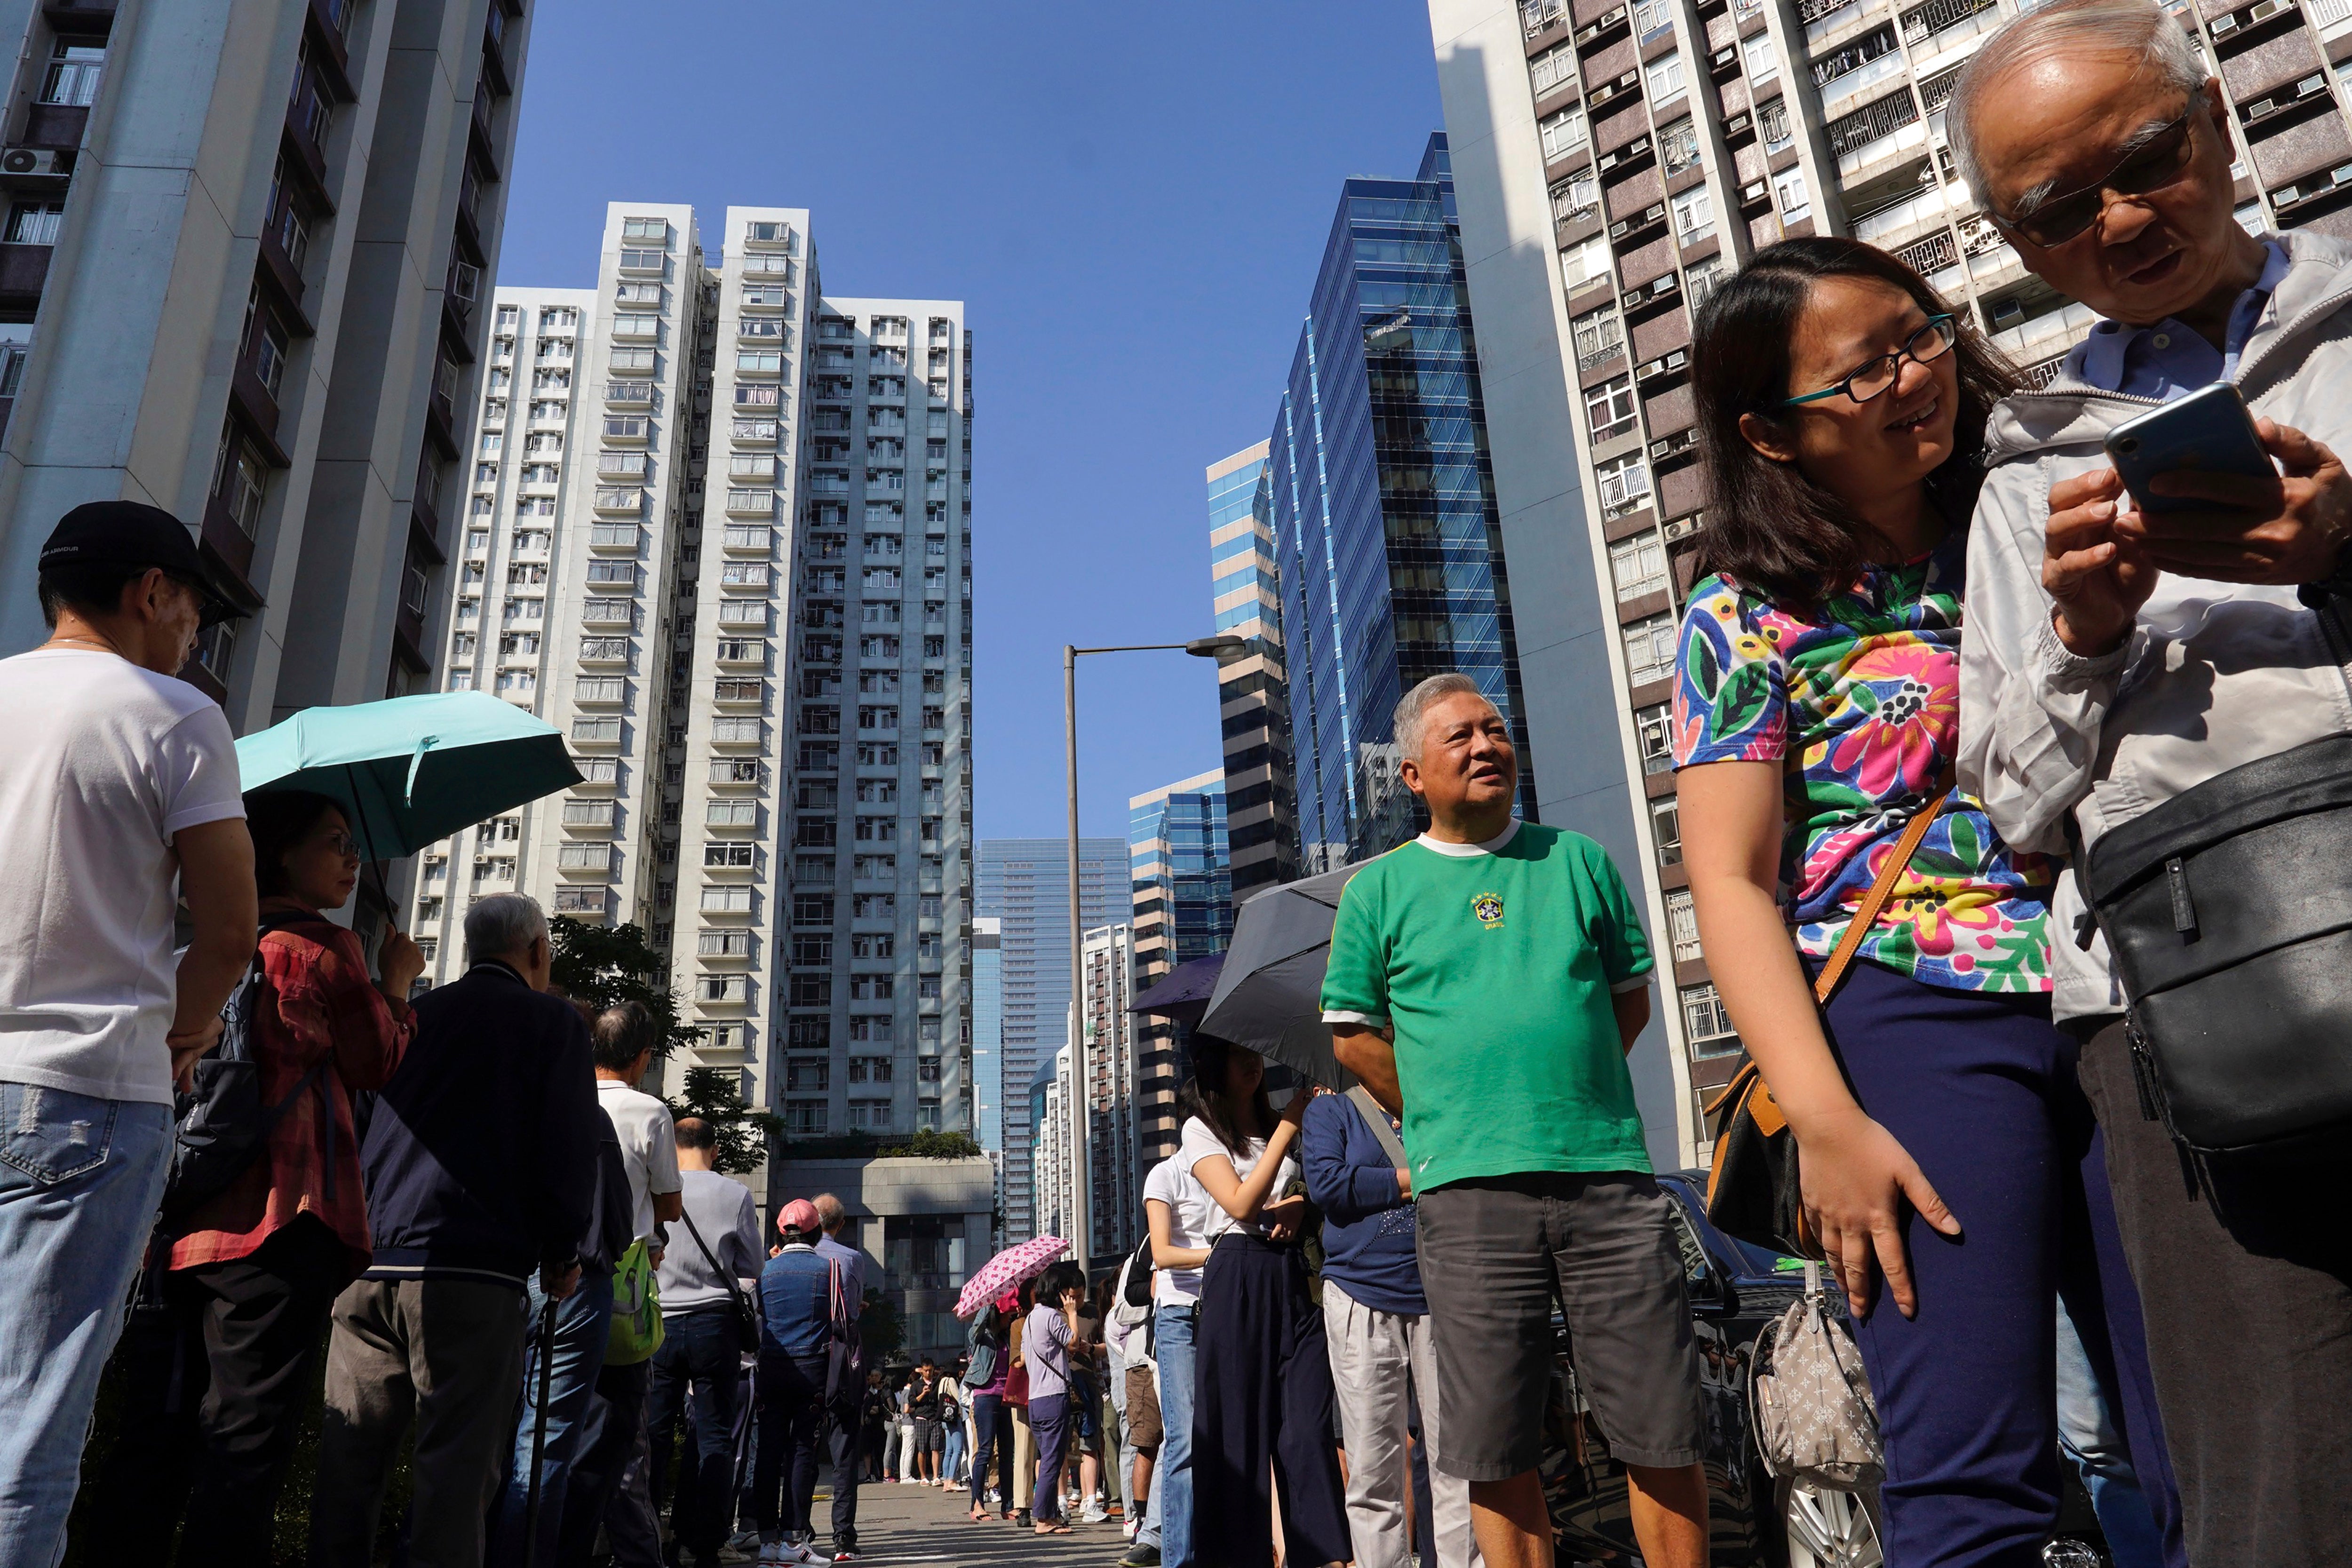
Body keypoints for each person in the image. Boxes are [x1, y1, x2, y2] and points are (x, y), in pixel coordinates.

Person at [1672, 233, 2187, 1568]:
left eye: (1921, 336)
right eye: (1867, 369)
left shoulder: (2039, 515)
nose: (1918, 376)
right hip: (1917, 1018)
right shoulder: (1746, 612)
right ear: (1770, 433)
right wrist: (1828, 1118)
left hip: (2129, 979)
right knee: (1973, 1472)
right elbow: (1728, 880)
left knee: (2201, 1438)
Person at [1949, 0, 2352, 1556]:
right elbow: (2014, 806)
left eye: (2144, 157)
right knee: (2280, 1482)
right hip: (2188, 1003)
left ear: (2221, 124)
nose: (2118, 220)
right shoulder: (2026, 471)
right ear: (2017, 244)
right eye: (2058, 207)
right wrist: (2084, 636)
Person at [1324, 674, 1706, 1568]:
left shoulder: (1579, 861)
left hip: (1608, 1178)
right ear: (1412, 773)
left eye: (1494, 729)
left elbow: (1629, 1001)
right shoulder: (1378, 891)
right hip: (1467, 1196)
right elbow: (1352, 1036)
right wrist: (1452, 1110)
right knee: (1493, 1442)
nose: (1485, 745)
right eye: (1459, 736)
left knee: (1662, 1426)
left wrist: (1563, 1088)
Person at [0, 500, 254, 1568]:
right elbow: (230, 931)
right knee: (29, 1421)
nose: (193, 635)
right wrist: (185, 1036)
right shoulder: (175, 715)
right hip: (88, 1093)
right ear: (152, 591)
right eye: (194, 611)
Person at [89, 789, 420, 1566]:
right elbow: (377, 1060)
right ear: (281, 854)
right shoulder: (325, 947)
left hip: (180, 1222)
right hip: (282, 1221)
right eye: (334, 842)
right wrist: (398, 984)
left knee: (153, 1436)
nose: (352, 858)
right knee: (245, 1444)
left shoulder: (204, 952)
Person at [309, 893, 601, 1568]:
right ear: (538, 951)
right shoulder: (553, 1022)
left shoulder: (414, 1014)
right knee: (456, 1476)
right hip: (472, 1273)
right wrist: (562, 1252)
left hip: (370, 1262)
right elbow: (567, 1148)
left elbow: (358, 1118)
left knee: (349, 1464)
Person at [1181, 1039, 1350, 1568]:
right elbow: (1239, 1202)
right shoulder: (1200, 1130)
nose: (1251, 1064)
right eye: (1237, 1056)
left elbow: (1315, 1189)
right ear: (1214, 1066)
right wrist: (1289, 1126)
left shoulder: (1283, 1124)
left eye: (1254, 1053)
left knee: (1306, 1429)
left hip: (1294, 1275)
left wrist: (1300, 1201)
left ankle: (1323, 1556)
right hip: (1237, 1271)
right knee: (1237, 1432)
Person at [1301, 1087, 1479, 1568]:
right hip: (1359, 1294)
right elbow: (1328, 1185)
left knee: (1457, 1467)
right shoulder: (1331, 1110)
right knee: (1372, 1472)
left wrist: (1378, 1182)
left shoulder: (1436, 1100)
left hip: (1442, 1294)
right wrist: (1418, 1177)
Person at [573, 1002, 683, 1563]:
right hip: (623, 1281)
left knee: (553, 1424)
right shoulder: (650, 1111)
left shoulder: (566, 1098)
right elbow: (670, 1204)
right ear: (641, 1058)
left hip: (555, 1270)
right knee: (623, 1432)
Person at [649, 1115, 761, 1568]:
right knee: (715, 1436)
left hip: (659, 1322)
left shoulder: (656, 1189)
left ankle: (646, 1536)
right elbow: (753, 1265)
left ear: (673, 1148)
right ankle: (707, 1544)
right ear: (714, 1150)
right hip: (716, 1325)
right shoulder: (736, 1193)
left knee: (654, 1433)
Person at [755, 1198, 850, 1566]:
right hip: (812, 1366)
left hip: (771, 1365)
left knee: (768, 1450)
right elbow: (841, 1320)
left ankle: (766, 1540)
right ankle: (794, 1539)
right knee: (801, 1451)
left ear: (782, 1233)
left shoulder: (766, 1271)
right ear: (815, 1232)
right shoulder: (830, 1269)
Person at [1141, 1148, 1214, 1568]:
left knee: (1223, 1434)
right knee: (1183, 1437)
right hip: (1179, 1314)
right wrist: (1217, 1253)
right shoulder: (1165, 1174)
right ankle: (1178, 1558)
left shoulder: (1231, 1169)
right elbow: (1162, 1253)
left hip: (1222, 1305)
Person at [811, 1191, 867, 1556]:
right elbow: (854, 1308)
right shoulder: (852, 1258)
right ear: (841, 1224)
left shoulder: (792, 1259)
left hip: (804, 1358)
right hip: (843, 1360)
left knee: (802, 1446)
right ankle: (843, 1534)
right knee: (845, 1447)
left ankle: (797, 1529)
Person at [1025, 1259, 1086, 1536]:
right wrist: (1072, 1315)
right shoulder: (1051, 1317)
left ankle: (1049, 1514)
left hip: (1035, 1398)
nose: (1069, 1297)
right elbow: (1073, 1343)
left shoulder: (1030, 1319)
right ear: (1057, 1292)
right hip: (1053, 1396)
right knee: (1052, 1459)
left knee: (1047, 1456)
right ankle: (1043, 1518)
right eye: (1066, 1292)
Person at [965, 1304, 1014, 1521]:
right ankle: (977, 1504)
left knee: (1007, 1453)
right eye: (1007, 1314)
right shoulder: (982, 1336)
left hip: (1006, 1397)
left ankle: (1008, 1505)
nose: (1010, 1317)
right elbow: (974, 1329)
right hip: (985, 1396)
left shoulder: (1008, 1337)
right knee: (985, 1450)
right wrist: (990, 1303)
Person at [908, 1358, 944, 1483]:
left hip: (935, 1418)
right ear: (922, 1371)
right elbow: (912, 1402)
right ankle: (923, 1477)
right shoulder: (916, 1385)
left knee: (936, 1448)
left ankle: (936, 1477)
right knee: (922, 1449)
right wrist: (923, 1394)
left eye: (930, 1370)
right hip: (922, 1418)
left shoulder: (938, 1383)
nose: (928, 1373)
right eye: (926, 1371)